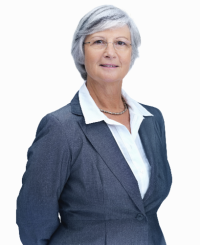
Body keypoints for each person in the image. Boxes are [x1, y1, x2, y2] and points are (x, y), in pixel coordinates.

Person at [16, 5, 172, 245]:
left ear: (132, 53)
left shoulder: (152, 120)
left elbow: (144, 211)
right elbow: (33, 219)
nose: (110, 52)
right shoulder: (60, 127)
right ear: (81, 51)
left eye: (121, 43)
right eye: (99, 41)